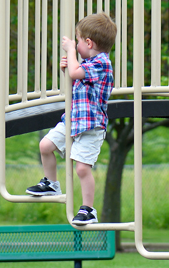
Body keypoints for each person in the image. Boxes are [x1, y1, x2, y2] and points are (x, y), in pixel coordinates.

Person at [26, 12, 117, 226]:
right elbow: (75, 74)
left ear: (88, 42)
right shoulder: (89, 62)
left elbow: (76, 74)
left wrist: (70, 53)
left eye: (77, 42)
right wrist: (67, 66)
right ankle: (51, 183)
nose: (75, 46)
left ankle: (88, 209)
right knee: (45, 145)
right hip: (72, 120)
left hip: (91, 126)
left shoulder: (102, 63)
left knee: (82, 169)